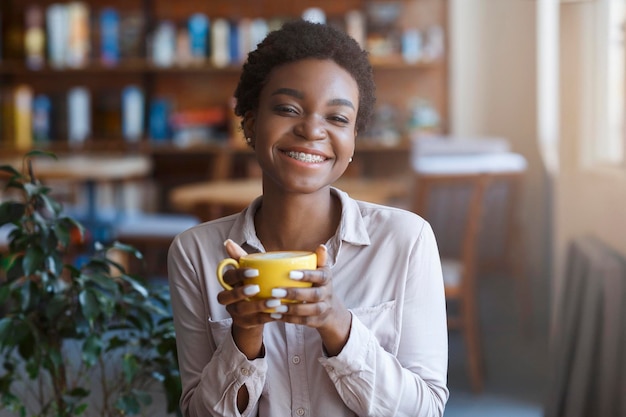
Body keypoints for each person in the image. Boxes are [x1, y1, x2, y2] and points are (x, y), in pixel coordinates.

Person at [167, 19, 449, 417]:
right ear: (250, 122)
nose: (311, 129)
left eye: (337, 118)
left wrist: (337, 325)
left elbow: (426, 410)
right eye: (287, 109)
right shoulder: (196, 253)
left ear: (352, 141)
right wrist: (244, 336)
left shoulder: (407, 241)